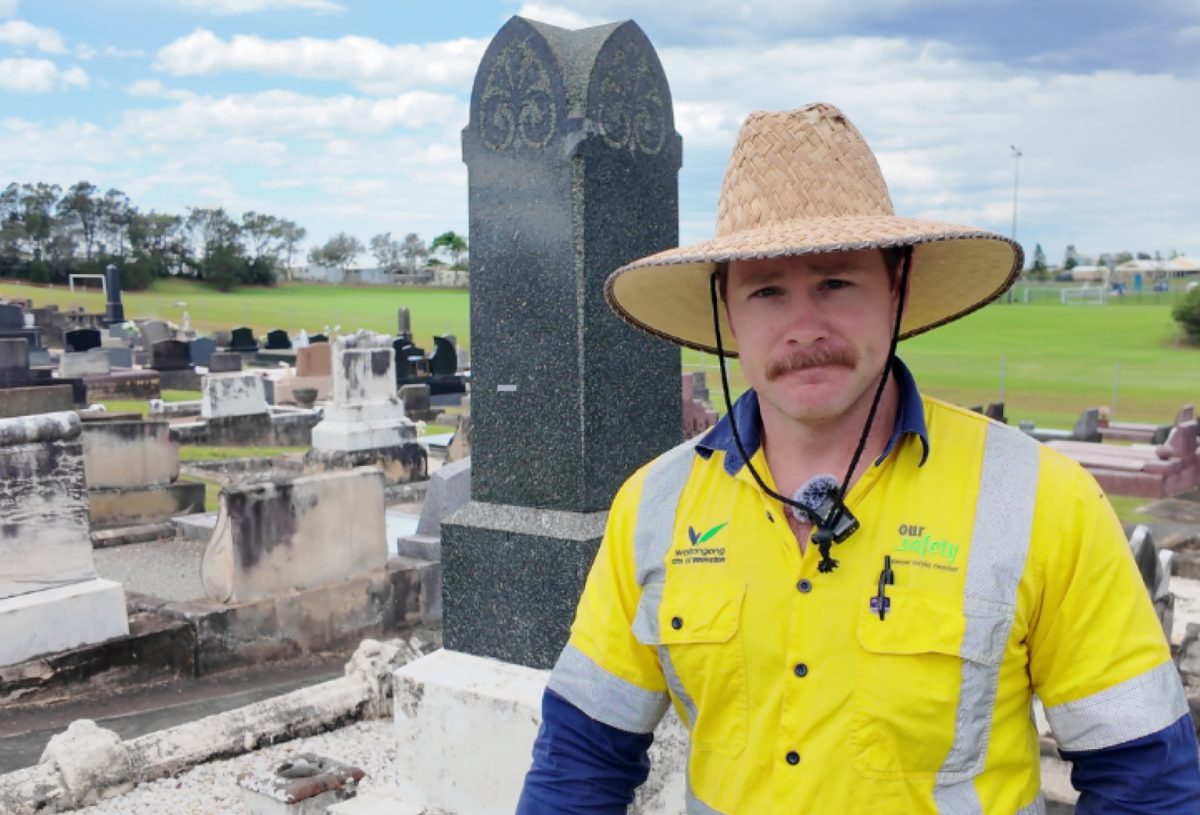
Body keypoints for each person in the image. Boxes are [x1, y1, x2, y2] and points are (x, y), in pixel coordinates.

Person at [515, 103, 1200, 814]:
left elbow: (1146, 783)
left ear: (897, 285)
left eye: (836, 282)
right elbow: (581, 760)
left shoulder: (1044, 501)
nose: (805, 327)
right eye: (767, 290)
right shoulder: (652, 506)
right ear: (726, 310)